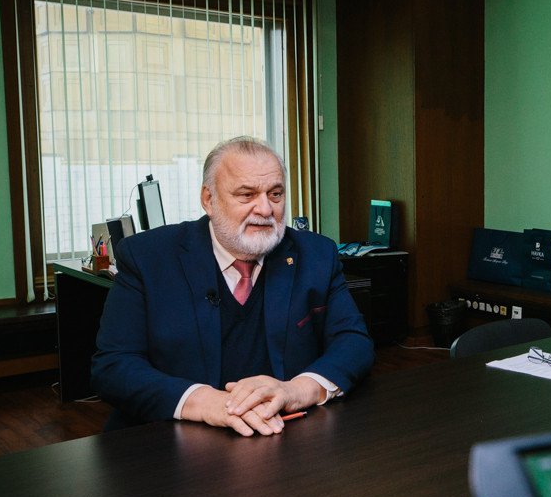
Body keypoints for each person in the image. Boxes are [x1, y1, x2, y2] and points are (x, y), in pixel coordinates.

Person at [91, 136, 374, 435]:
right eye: (246, 195)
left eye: (275, 194)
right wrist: (203, 402)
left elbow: (353, 342)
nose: (265, 209)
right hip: (171, 439)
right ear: (208, 200)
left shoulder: (317, 254)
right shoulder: (147, 257)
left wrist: (297, 390)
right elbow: (114, 365)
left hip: (284, 433)